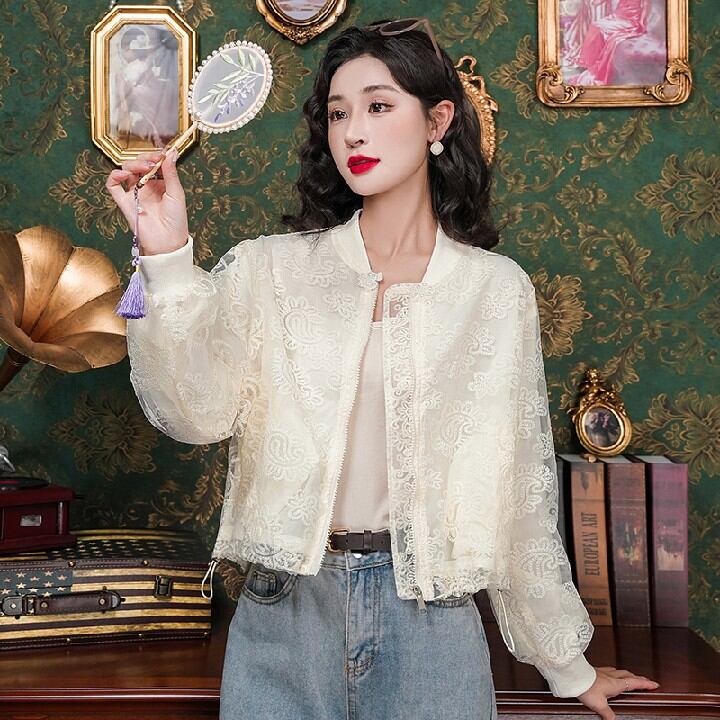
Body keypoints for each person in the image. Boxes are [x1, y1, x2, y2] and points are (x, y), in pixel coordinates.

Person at [106, 18, 660, 720]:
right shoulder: (270, 270)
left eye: (377, 106)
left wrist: (566, 666)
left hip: (430, 622)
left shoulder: (493, 291)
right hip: (284, 612)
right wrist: (166, 256)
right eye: (338, 114)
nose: (354, 133)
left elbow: (518, 491)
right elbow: (192, 413)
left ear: (437, 120)